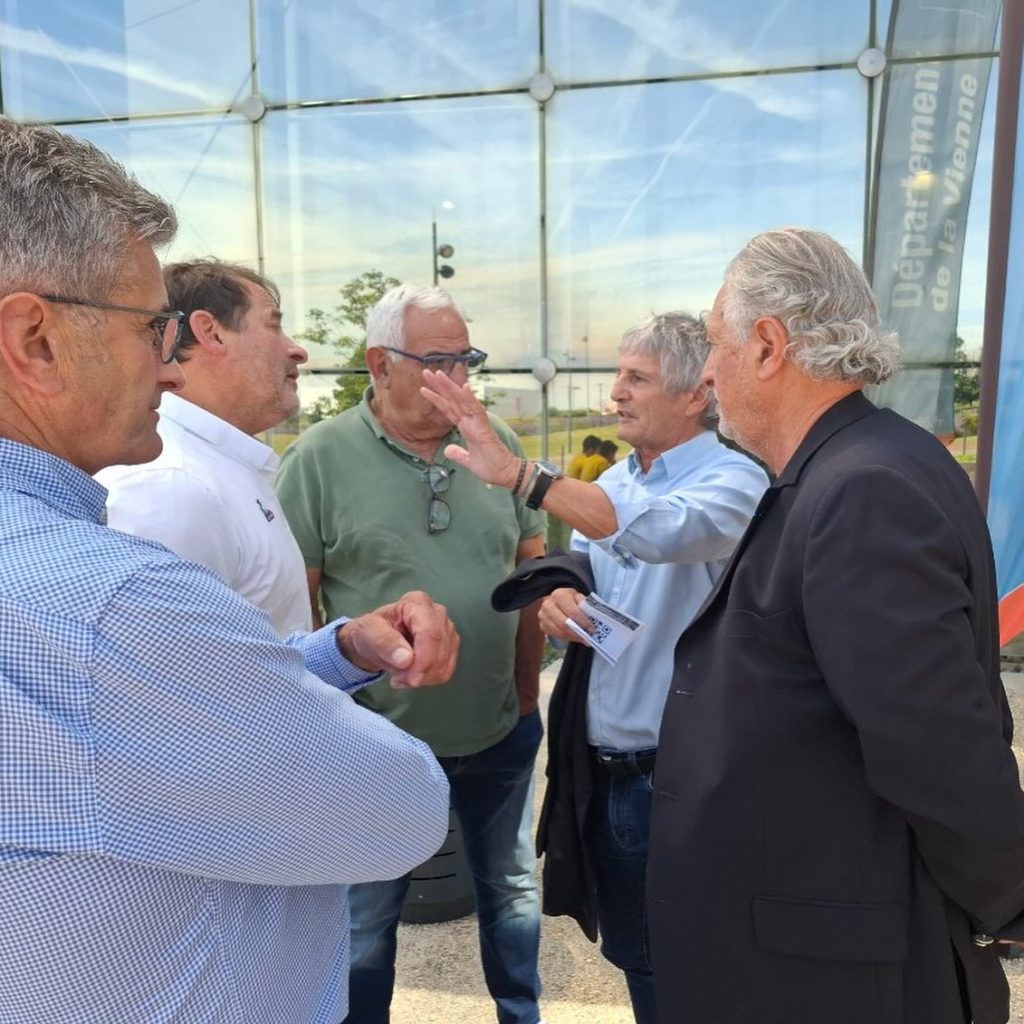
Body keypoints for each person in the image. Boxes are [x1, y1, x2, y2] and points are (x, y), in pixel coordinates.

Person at [0, 117, 458, 1024]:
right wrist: (304, 696)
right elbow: (399, 808)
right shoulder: (114, 594)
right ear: (36, 341)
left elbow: (164, 718)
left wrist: (322, 658)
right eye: (150, 327)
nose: (166, 363)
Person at [646, 227, 1024, 1023]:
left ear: (769, 345)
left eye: (717, 343)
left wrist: (1011, 900)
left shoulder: (862, 488)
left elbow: (938, 747)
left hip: (840, 977)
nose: (708, 372)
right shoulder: (862, 463)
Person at [420, 312, 768, 1024]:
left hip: (683, 785)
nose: (616, 395)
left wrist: (523, 476)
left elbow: (663, 532)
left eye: (636, 378)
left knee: (701, 971)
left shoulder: (735, 481)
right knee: (642, 964)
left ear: (695, 393)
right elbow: (585, 564)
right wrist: (560, 597)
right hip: (604, 772)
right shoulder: (613, 476)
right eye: (618, 376)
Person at [275, 283, 548, 1024]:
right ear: (379, 365)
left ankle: (519, 1016)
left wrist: (526, 698)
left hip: (499, 733)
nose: (458, 381)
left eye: (466, 361)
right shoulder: (318, 461)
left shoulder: (499, 446)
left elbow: (530, 572)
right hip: (376, 744)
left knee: (513, 892)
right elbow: (301, 609)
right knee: (366, 920)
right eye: (438, 362)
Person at [98, 258, 312, 635]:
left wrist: (345, 650)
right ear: (210, 332)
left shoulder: (211, 467)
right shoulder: (172, 483)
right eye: (274, 325)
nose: (297, 350)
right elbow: (166, 678)